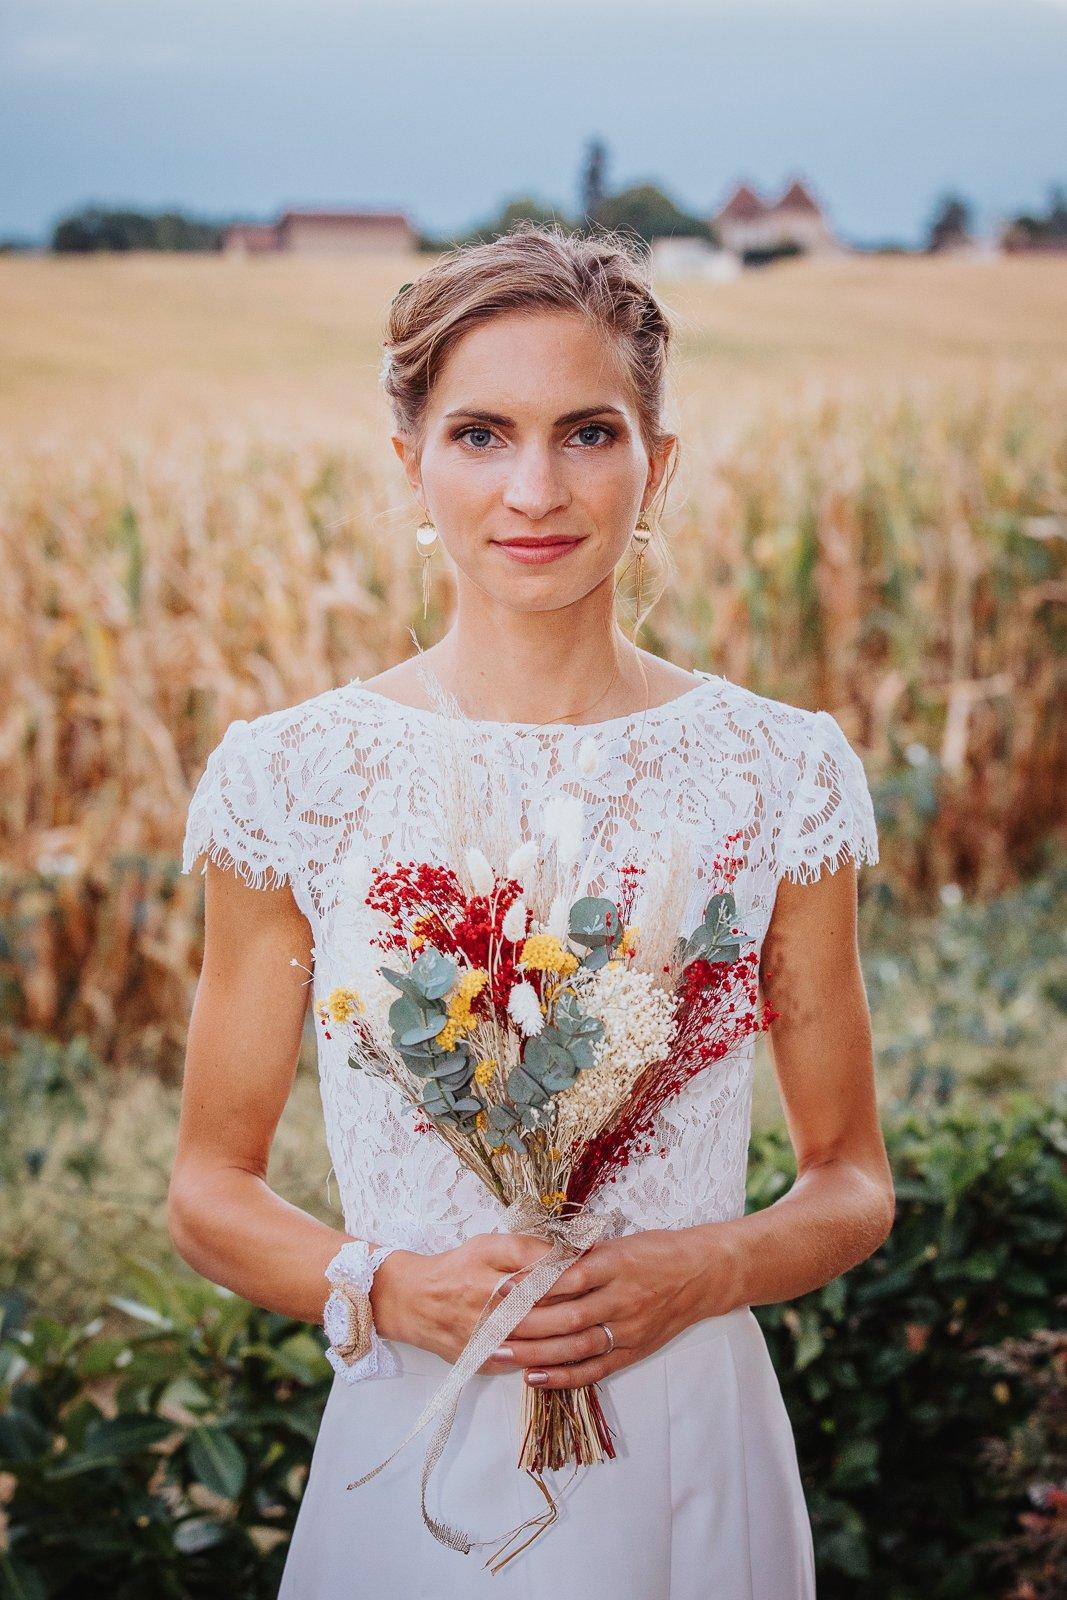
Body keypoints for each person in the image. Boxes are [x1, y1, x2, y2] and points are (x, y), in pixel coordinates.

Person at [169, 222, 894, 1598]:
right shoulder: (293, 779)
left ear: (656, 464)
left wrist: (709, 1264)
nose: (537, 491)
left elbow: (851, 1179)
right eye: (483, 434)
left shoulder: (778, 771)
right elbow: (209, 1192)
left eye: (591, 434)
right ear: (412, 462)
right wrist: (381, 1287)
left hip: (688, 1440)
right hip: (416, 1448)